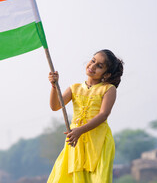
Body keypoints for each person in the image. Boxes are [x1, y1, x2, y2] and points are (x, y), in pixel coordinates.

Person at [47, 49, 124, 183]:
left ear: (106, 74)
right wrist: (54, 86)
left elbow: (103, 114)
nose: (92, 66)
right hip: (75, 141)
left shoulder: (108, 89)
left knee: (97, 178)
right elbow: (55, 106)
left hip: (98, 141)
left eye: (99, 66)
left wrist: (80, 130)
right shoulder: (74, 88)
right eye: (93, 61)